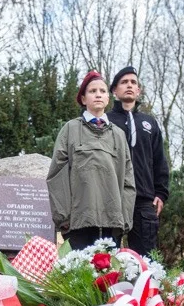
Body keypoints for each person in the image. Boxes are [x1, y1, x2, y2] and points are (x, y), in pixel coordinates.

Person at [47, 70, 136, 250]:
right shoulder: (70, 129)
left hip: (112, 225)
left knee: (108, 277)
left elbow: (128, 180)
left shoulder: (118, 135)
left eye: (102, 91)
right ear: (83, 99)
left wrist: (124, 219)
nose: (98, 95)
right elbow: (57, 175)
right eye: (92, 91)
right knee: (80, 277)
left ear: (108, 98)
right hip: (78, 224)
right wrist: (64, 218)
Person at [107, 66, 170, 257]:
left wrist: (161, 192)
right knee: (106, 259)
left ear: (138, 90)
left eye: (133, 82)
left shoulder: (149, 123)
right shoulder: (106, 121)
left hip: (144, 200)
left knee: (146, 260)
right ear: (114, 91)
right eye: (124, 82)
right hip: (112, 198)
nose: (129, 85)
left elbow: (159, 159)